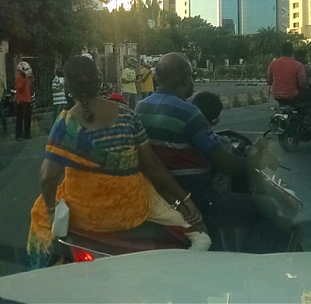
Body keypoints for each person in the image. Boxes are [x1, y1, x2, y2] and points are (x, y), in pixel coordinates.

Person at [27, 56, 211, 268]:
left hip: (88, 213)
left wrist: (51, 211)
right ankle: (196, 235)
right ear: (100, 80)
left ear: (68, 87)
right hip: (132, 207)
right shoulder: (127, 114)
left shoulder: (66, 124)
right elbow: (152, 166)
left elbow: (47, 178)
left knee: (40, 211)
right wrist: (186, 200)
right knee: (147, 187)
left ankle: (44, 270)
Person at [136, 52, 282, 253]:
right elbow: (226, 164)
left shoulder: (141, 107)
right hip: (201, 198)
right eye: (192, 77)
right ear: (186, 79)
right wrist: (258, 160)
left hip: (164, 194)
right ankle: (249, 265)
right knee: (271, 207)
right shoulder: (189, 113)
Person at [15, 61, 33, 140]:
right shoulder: (18, 77)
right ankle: (18, 135)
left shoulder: (26, 77)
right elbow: (20, 89)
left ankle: (27, 134)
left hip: (27, 100)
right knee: (20, 119)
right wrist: (25, 81)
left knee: (28, 118)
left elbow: (29, 87)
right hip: (21, 101)